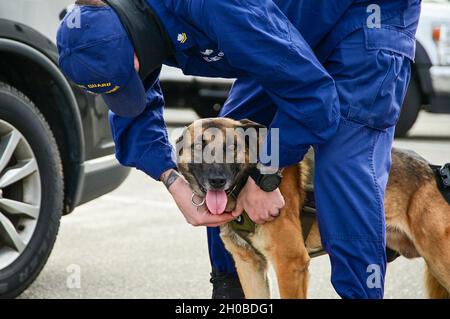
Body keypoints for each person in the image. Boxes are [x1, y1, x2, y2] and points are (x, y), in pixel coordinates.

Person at [57, 0, 421, 299]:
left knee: (343, 164)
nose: (128, 86)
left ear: (133, 46)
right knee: (225, 152)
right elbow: (134, 114)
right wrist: (173, 181)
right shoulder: (119, 24)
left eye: (128, 77)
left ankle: (360, 292)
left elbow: (315, 100)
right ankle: (231, 292)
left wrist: (265, 175)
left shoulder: (216, 8)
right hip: (276, 29)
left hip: (363, 18)